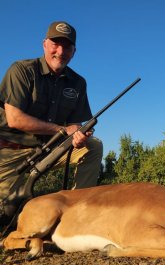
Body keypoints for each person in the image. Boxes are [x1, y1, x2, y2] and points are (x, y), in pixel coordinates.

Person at [0, 21, 103, 225]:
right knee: (6, 215)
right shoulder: (22, 70)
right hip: (10, 153)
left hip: (49, 149)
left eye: (67, 46)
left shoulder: (78, 82)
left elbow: (76, 125)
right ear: (45, 44)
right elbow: (15, 119)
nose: (60, 51)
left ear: (74, 51)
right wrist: (63, 130)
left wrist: (80, 136)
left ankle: (78, 215)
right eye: (56, 44)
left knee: (93, 146)